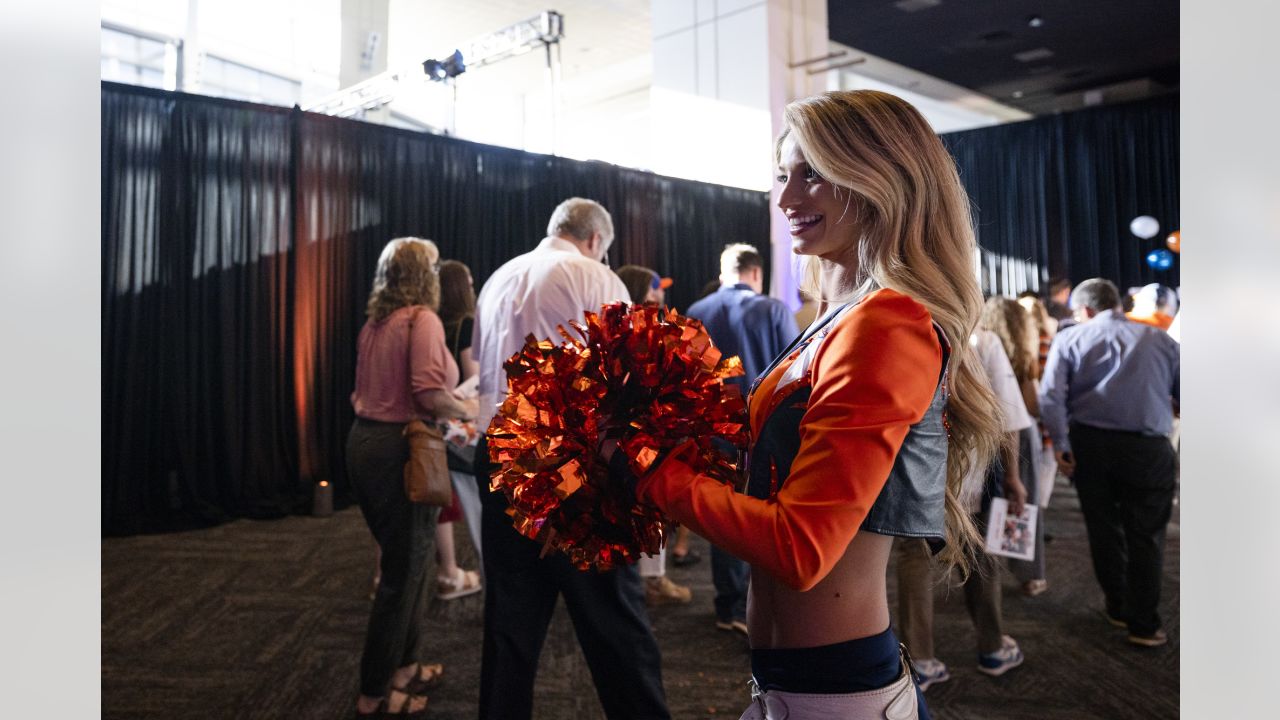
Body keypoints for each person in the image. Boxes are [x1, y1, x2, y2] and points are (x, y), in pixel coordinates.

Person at [632, 91, 1002, 719]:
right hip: (795, 682)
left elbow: (801, 548)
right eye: (785, 174)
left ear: (883, 180)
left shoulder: (885, 323)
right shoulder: (841, 317)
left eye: (817, 174)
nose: (787, 200)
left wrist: (645, 465)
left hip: (837, 692)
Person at [472, 198, 671, 720]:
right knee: (616, 626)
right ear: (597, 241)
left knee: (510, 624)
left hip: (499, 454)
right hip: (571, 461)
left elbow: (484, 373)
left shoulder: (498, 278)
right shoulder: (594, 276)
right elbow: (618, 386)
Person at [346, 238, 479, 717]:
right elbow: (428, 393)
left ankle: (405, 667)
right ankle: (375, 694)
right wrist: (468, 407)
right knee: (403, 576)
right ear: (425, 274)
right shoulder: (420, 319)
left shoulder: (375, 321)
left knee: (412, 565)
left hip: (366, 443)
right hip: (400, 449)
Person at [1039, 278, 1180, 648]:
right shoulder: (1162, 341)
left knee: (1104, 530)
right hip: (1149, 449)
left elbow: (1050, 397)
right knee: (1147, 536)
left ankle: (1117, 607)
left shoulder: (1070, 339)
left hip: (1092, 447)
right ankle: (1144, 624)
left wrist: (1062, 445)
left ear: (1085, 310)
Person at [896, 324, 1031, 692]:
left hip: (911, 470)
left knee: (915, 557)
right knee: (979, 556)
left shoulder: (898, 327)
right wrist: (1013, 477)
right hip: (966, 473)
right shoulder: (981, 339)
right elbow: (1008, 415)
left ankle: (920, 662)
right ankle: (991, 647)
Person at [682, 242, 799, 637]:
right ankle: (763, 605)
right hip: (766, 431)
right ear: (756, 273)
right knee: (767, 514)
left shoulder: (696, 313)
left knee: (722, 511)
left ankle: (728, 603)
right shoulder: (773, 310)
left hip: (712, 429)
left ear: (723, 273)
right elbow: (797, 373)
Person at [613, 264, 694, 606]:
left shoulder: (637, 330)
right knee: (640, 507)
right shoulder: (626, 333)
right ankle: (647, 580)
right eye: (651, 292)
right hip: (635, 434)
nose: (658, 298)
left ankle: (650, 577)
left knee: (649, 508)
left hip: (645, 432)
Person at [981, 296, 1049, 596]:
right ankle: (1029, 575)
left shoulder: (979, 346)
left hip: (986, 434)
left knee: (990, 503)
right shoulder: (1023, 354)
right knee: (1023, 501)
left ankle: (991, 567)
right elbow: (1032, 406)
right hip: (1020, 431)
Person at [432, 259, 483, 600]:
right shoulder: (467, 323)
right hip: (462, 423)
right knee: (476, 501)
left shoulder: (432, 322)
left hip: (435, 423)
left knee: (441, 502)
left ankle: (447, 570)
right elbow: (474, 376)